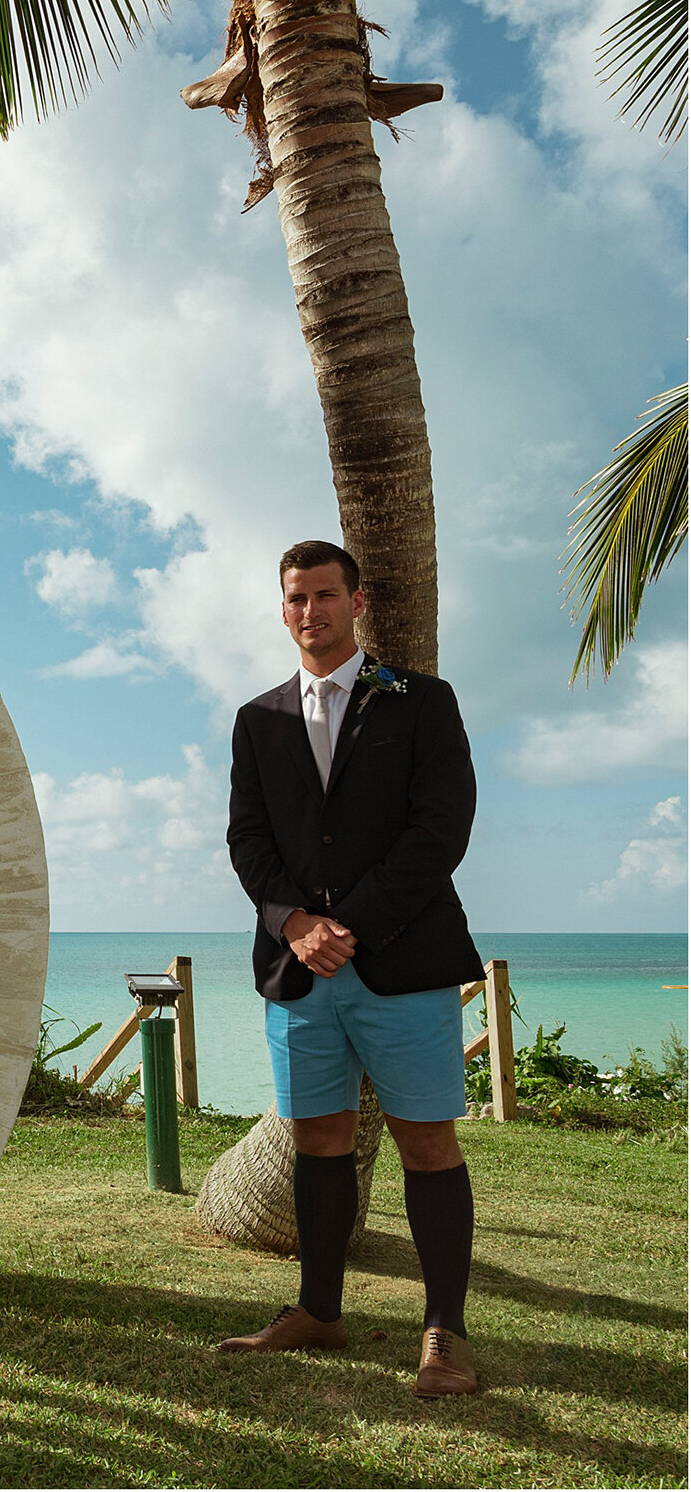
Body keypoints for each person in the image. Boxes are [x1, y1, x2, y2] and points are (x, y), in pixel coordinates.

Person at [221, 540, 483, 1398]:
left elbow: (440, 829)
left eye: (326, 595)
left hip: (402, 960)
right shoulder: (257, 718)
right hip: (299, 970)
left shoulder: (421, 701)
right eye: (296, 598)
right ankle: (318, 1310)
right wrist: (296, 924)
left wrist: (351, 925)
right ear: (283, 606)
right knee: (318, 1139)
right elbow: (247, 840)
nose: (310, 611)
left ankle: (444, 1330)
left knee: (427, 1141)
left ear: (357, 603)